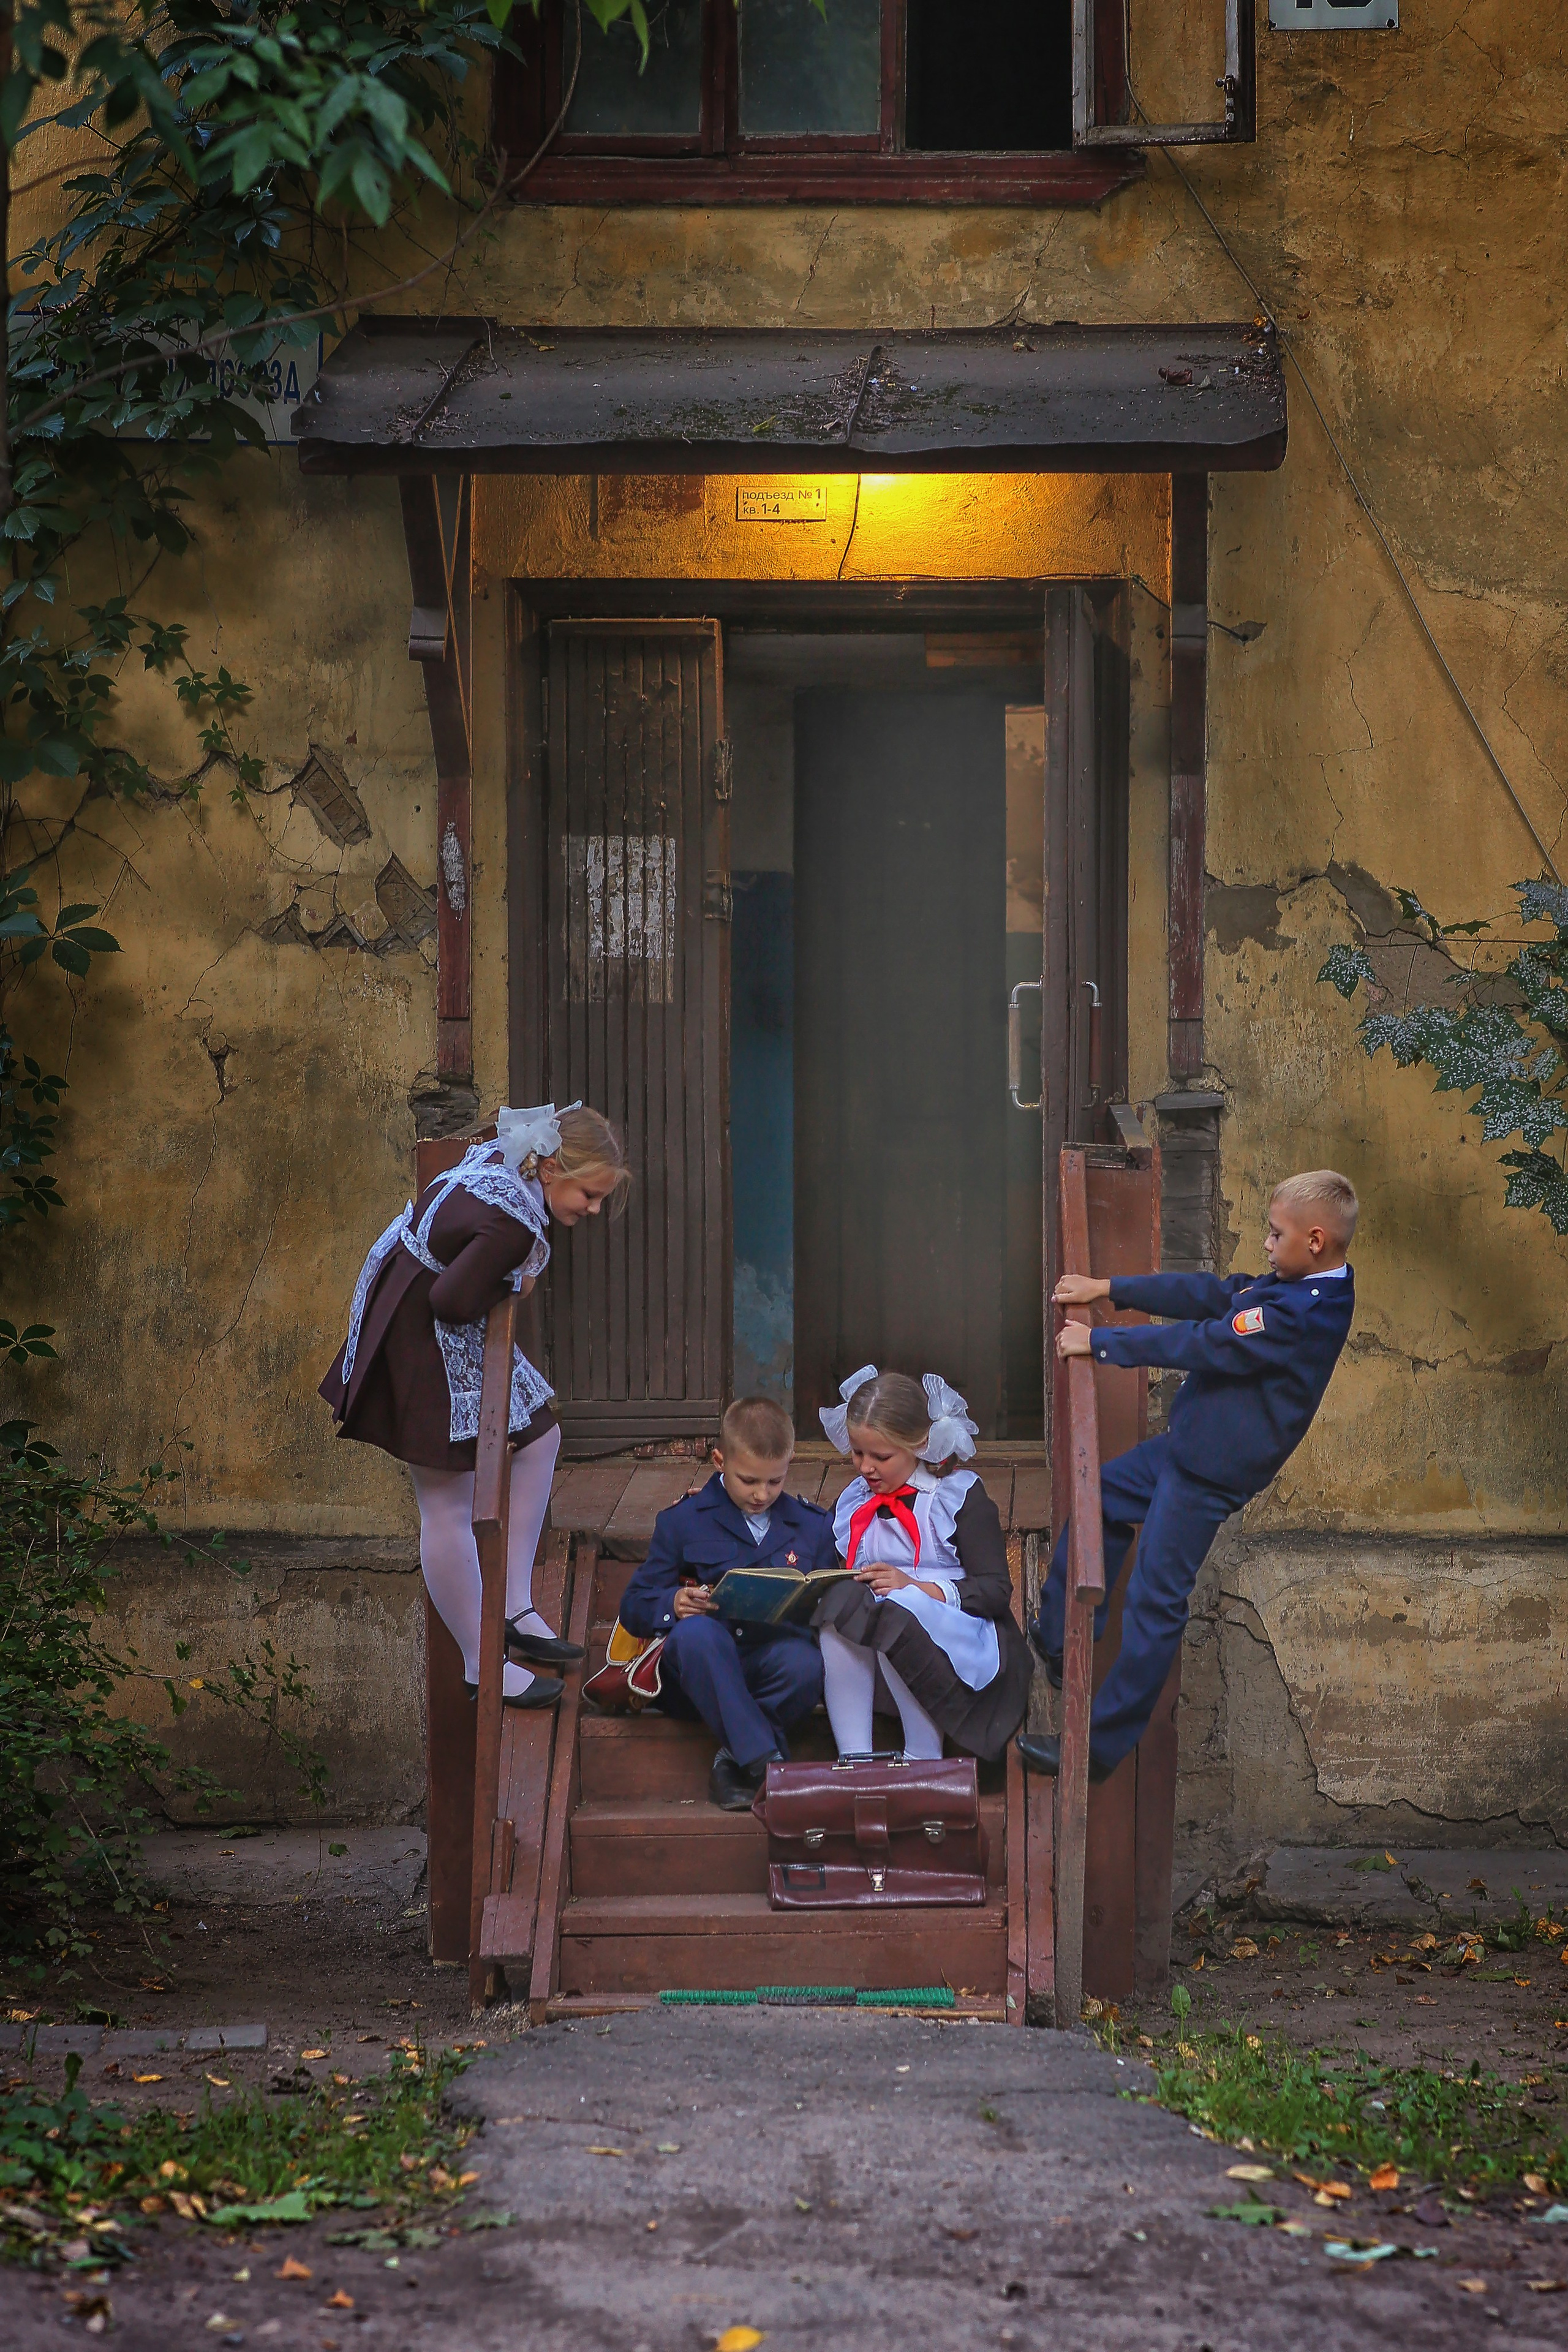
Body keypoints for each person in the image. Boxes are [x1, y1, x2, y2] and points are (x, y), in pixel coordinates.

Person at [1019, 1166, 1359, 1785]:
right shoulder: (1297, 1283)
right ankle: (1058, 1639)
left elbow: (1204, 1343)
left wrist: (1102, 1345)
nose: (1264, 1244)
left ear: (1314, 1241)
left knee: (1154, 1603)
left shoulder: (1303, 1313)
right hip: (1186, 1450)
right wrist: (1110, 1286)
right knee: (1095, 1504)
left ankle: (1096, 1747)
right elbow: (1211, 1294)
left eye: (1274, 1234)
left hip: (1208, 1474)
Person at [320, 1102, 630, 1709]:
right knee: (445, 1502)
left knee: (539, 1435)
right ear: (550, 1170)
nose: (591, 1211)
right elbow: (454, 1301)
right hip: (418, 1337)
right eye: (588, 1195)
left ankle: (513, 1603)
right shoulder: (513, 1223)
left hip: (421, 1309)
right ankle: (480, 1661)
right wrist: (516, 1280)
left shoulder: (505, 1159)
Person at [617, 1398, 834, 1810]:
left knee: (807, 1663)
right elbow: (634, 1606)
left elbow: (822, 1608)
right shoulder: (684, 1520)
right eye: (748, 1480)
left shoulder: (812, 1526)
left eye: (775, 1481)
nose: (761, 1494)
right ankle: (767, 1762)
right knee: (696, 1634)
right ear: (719, 1460)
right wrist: (675, 1602)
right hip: (700, 1674)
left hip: (769, 1667)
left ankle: (737, 1761)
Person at [814, 1368, 1033, 1765]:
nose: (865, 1468)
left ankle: (923, 1755)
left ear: (919, 1444)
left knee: (894, 1609)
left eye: (881, 1457)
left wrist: (917, 1586)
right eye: (858, 1453)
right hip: (883, 1659)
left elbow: (996, 1591)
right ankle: (855, 1758)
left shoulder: (956, 1496)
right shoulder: (853, 1502)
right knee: (840, 1610)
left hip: (961, 1646)